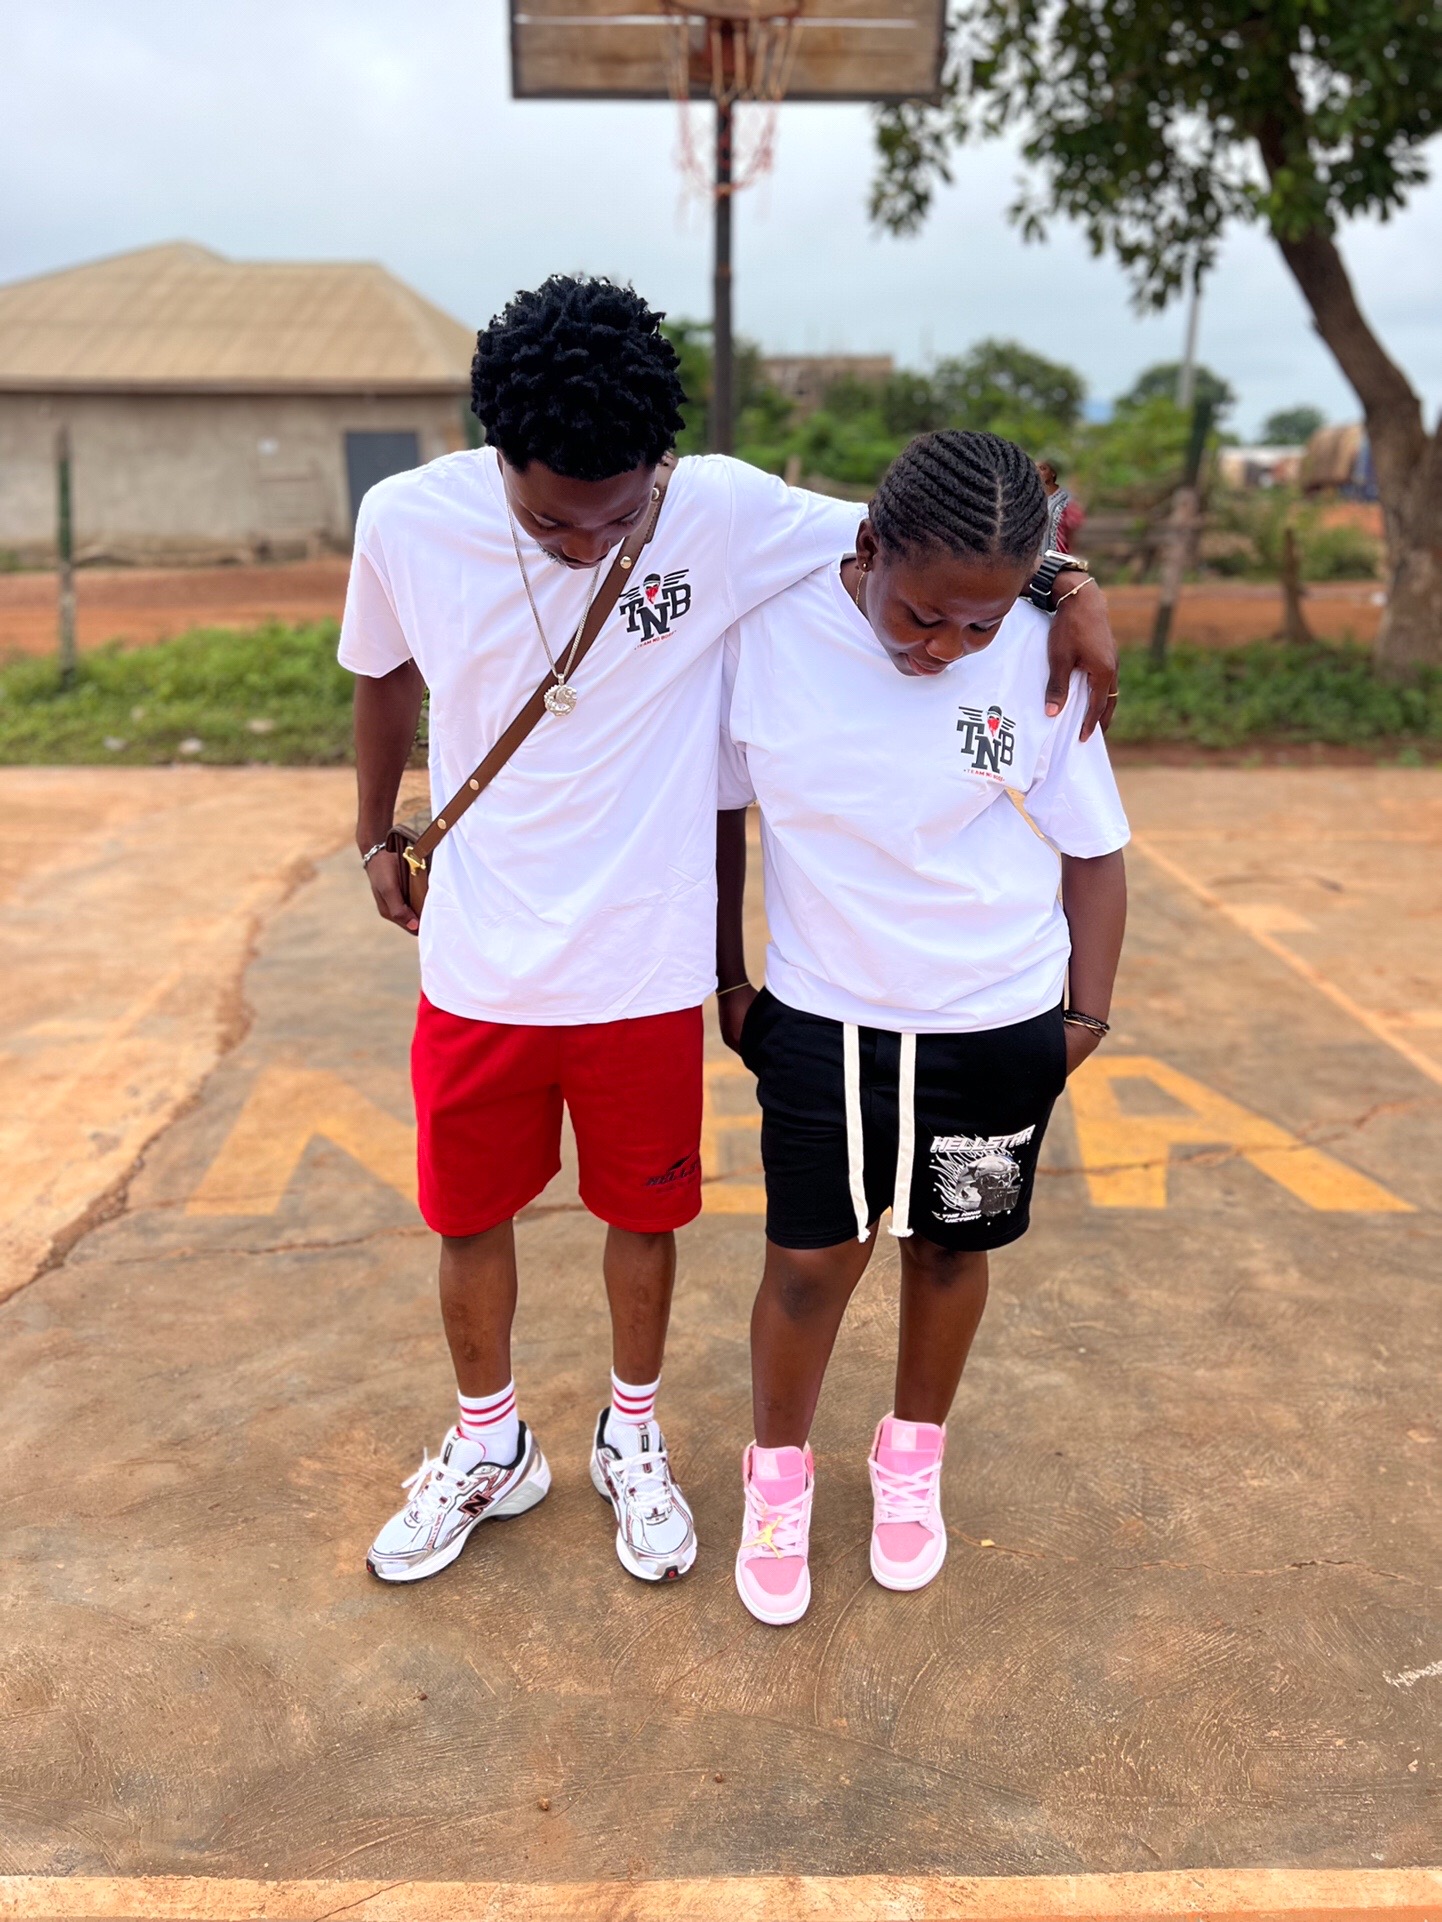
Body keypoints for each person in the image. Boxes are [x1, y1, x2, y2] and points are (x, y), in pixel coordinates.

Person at [339, 276, 1117, 1591]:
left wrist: (1066, 579)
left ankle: (631, 1436)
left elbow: (916, 532)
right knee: (468, 1211)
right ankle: (488, 1443)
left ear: (662, 466)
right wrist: (374, 829)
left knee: (643, 1215)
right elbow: (383, 673)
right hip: (478, 948)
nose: (587, 545)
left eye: (617, 518)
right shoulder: (405, 519)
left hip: (642, 964)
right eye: (550, 519)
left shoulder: (723, 509)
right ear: (493, 453)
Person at [714, 430, 1128, 1625]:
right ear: (868, 546)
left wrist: (1082, 1019)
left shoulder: (1039, 648)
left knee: (949, 1250)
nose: (943, 647)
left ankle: (909, 1459)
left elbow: (1093, 849)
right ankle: (776, 1477)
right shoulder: (768, 631)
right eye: (918, 615)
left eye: (976, 625)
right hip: (821, 1024)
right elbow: (719, 813)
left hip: (994, 1029)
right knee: (807, 1263)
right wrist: (727, 981)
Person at [1038, 458, 1085, 553]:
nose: (1038, 472)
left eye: (1043, 469)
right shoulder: (1030, 497)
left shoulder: (1066, 499)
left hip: (1058, 556)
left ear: (1053, 473)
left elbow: (1071, 534)